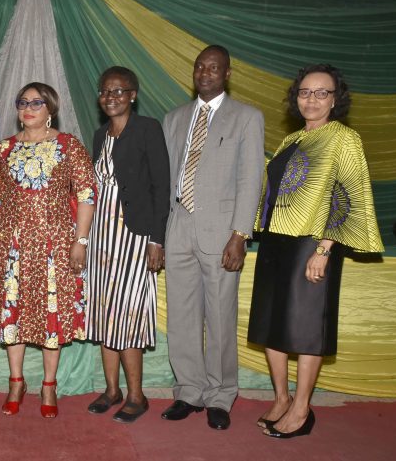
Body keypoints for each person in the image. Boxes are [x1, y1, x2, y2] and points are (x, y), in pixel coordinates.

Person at [247, 64, 383, 438]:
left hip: (313, 243)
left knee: (306, 329)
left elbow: (349, 194)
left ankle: (302, 409)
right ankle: (281, 399)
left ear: (336, 99)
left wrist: (324, 249)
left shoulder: (344, 139)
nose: (312, 99)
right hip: (275, 240)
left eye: (322, 92)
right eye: (305, 92)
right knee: (270, 324)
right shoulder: (291, 139)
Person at [0, 82, 96, 418]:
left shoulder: (68, 146)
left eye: (36, 102)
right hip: (11, 247)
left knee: (50, 316)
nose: (28, 108)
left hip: (54, 246)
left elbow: (86, 195)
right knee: (12, 313)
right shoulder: (3, 149)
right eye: (22, 102)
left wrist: (80, 241)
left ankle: (48, 385)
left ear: (51, 109)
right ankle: (16, 382)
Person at [161, 45, 264, 430]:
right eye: (200, 67)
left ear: (227, 74)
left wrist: (240, 234)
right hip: (179, 227)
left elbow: (250, 179)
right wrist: (161, 234)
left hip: (222, 233)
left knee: (220, 317)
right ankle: (189, 391)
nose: (205, 73)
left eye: (214, 68)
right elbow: (167, 178)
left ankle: (221, 395)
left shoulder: (247, 117)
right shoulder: (174, 118)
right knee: (182, 316)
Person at [85, 67, 170, 423]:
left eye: (119, 91)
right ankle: (112, 390)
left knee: (129, 314)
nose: (111, 97)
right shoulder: (99, 135)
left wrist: (157, 239)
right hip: (101, 238)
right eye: (106, 91)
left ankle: (137, 395)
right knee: (104, 311)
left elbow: (161, 187)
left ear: (133, 95)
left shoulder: (148, 128)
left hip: (135, 237)